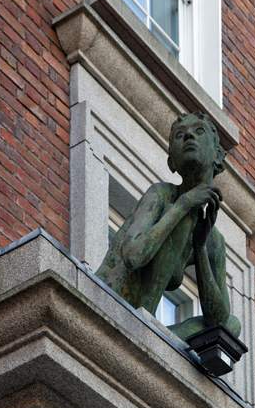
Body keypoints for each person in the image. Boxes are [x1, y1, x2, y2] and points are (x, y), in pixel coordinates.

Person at [96, 111, 241, 339]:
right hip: (111, 298)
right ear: (172, 161)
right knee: (184, 221)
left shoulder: (214, 241)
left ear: (218, 156)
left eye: (199, 131)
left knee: (231, 325)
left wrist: (200, 247)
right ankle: (149, 327)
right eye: (180, 135)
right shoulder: (161, 195)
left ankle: (159, 337)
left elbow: (219, 319)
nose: (189, 136)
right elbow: (133, 256)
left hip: (146, 325)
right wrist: (183, 205)